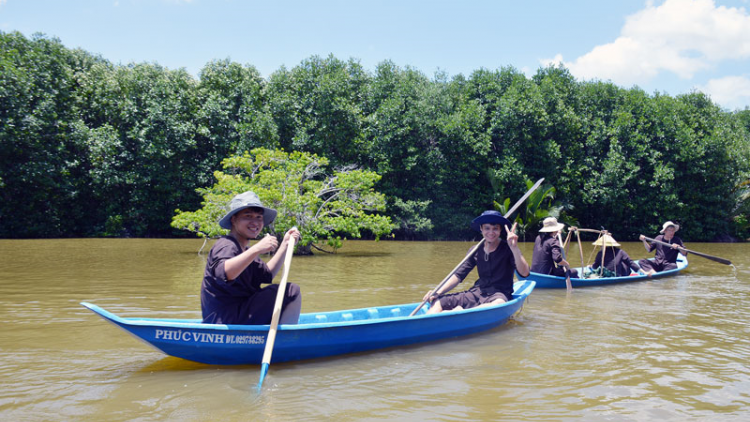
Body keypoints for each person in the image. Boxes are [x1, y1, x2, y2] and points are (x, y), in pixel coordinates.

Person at [201, 191, 302, 325]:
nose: (255, 222)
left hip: (238, 314)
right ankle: (287, 340)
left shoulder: (246, 251)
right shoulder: (226, 245)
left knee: (285, 291)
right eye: (248, 216)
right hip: (224, 319)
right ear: (234, 219)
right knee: (290, 290)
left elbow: (267, 274)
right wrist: (257, 248)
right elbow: (225, 273)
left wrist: (285, 245)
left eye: (259, 217)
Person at [424, 210, 530, 314]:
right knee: (438, 300)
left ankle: (462, 312)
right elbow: (458, 275)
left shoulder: (508, 249)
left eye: (495, 229)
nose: (491, 232)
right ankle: (426, 325)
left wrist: (515, 248)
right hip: (478, 292)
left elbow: (525, 273)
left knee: (498, 304)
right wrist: (438, 291)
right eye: (487, 228)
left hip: (499, 294)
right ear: (481, 229)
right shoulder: (475, 250)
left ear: (500, 230)